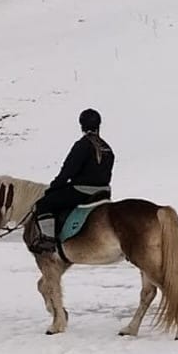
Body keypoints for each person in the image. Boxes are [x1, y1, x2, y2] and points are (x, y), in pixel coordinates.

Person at [31, 108, 115, 253]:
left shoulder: (82, 145)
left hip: (82, 192)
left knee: (43, 204)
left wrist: (53, 189)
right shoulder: (107, 148)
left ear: (82, 125)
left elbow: (67, 172)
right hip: (104, 193)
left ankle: (48, 240)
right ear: (98, 125)